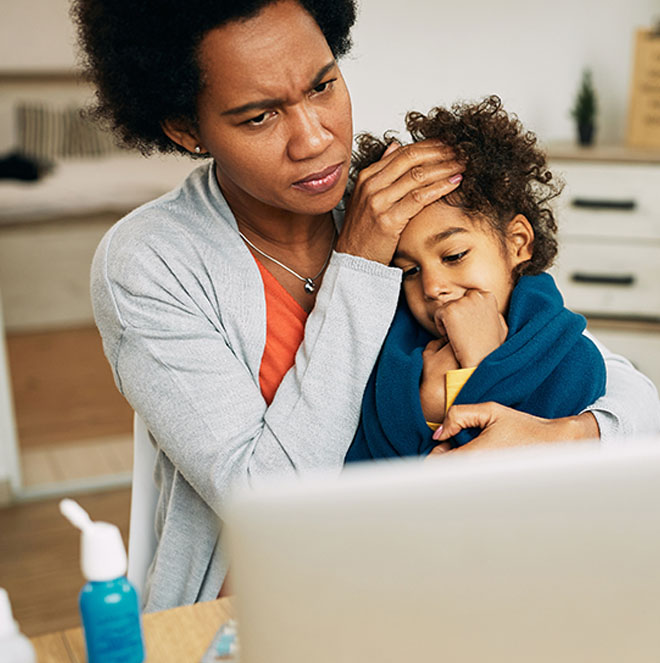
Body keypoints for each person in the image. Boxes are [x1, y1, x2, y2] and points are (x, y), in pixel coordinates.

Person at [73, 0, 660, 611]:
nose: (315, 139)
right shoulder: (151, 262)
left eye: (323, 86)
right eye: (258, 117)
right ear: (185, 129)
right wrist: (358, 264)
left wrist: (571, 434)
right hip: (256, 612)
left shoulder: (400, 210)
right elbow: (267, 498)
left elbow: (622, 386)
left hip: (442, 581)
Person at [346, 96, 607, 460]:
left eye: (454, 256)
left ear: (518, 242)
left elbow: (525, 481)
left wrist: (476, 369)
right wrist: (423, 413)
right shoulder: (389, 352)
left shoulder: (571, 355)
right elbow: (361, 470)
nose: (432, 287)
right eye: (410, 271)